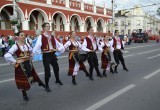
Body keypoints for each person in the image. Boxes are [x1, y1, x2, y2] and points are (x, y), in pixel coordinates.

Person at [4, 31, 45, 101]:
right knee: (23, 79)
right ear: (18, 37)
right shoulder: (15, 46)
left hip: (29, 63)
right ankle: (24, 94)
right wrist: (15, 61)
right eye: (21, 35)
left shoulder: (27, 44)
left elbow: (32, 51)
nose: (23, 37)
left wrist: (32, 53)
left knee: (33, 74)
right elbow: (7, 55)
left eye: (24, 35)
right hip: (21, 66)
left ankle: (40, 83)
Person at [32, 22, 65, 92]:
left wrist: (59, 49)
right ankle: (46, 85)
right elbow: (38, 45)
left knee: (56, 67)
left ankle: (57, 79)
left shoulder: (52, 36)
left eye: (49, 26)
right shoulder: (41, 36)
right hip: (46, 55)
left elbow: (58, 44)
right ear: (43, 28)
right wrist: (33, 52)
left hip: (52, 54)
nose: (48, 27)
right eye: (47, 26)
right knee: (47, 71)